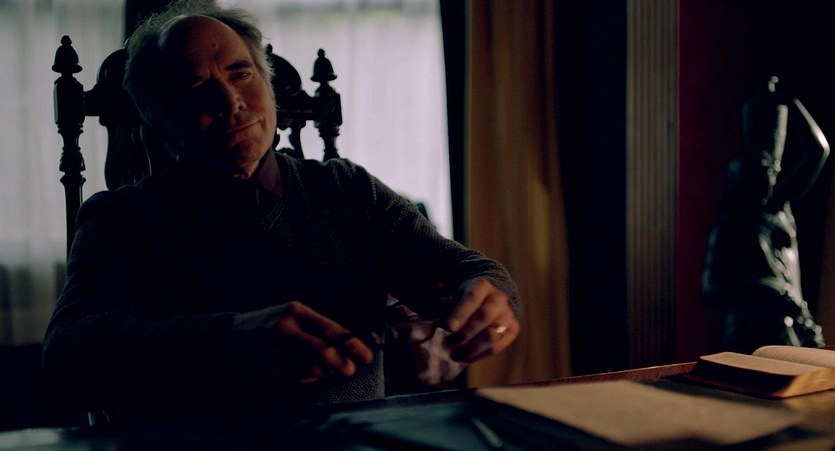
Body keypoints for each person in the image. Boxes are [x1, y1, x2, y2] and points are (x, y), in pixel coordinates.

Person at [42, 0, 521, 420]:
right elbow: (66, 357)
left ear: (267, 84)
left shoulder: (347, 190)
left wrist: (489, 298)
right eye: (195, 86)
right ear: (158, 116)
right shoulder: (123, 219)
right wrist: (230, 339)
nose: (231, 101)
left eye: (241, 74)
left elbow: (468, 270)